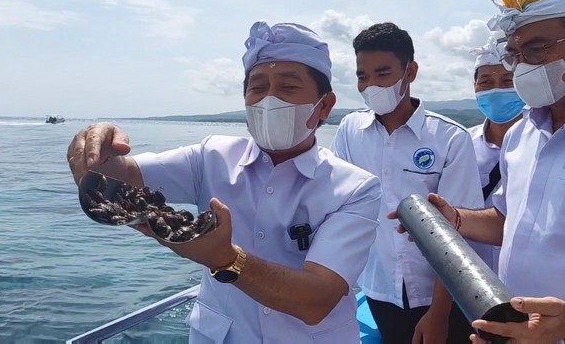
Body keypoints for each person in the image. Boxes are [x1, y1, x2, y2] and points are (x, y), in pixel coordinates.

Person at [67, 21, 383, 343]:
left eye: (288, 87)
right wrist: (98, 151)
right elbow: (119, 176)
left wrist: (226, 259)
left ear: (325, 106)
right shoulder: (211, 156)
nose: (268, 100)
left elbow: (316, 301)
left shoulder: (355, 189)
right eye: (257, 88)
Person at [398, 0, 565, 342]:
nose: (521, 67)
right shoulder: (522, 135)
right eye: (514, 54)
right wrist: (456, 219)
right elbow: (507, 220)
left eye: (537, 49)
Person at [330, 22, 484, 344]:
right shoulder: (349, 130)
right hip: (378, 285)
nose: (371, 85)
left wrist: (440, 314)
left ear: (410, 72)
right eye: (362, 76)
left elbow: (458, 236)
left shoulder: (449, 139)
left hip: (441, 296)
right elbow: (336, 204)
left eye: (382, 73)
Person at [467, 35, 524, 274]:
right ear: (475, 87)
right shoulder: (461, 144)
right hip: (468, 280)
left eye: (507, 80)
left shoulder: (542, 143)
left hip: (523, 282)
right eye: (486, 82)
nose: (496, 89)